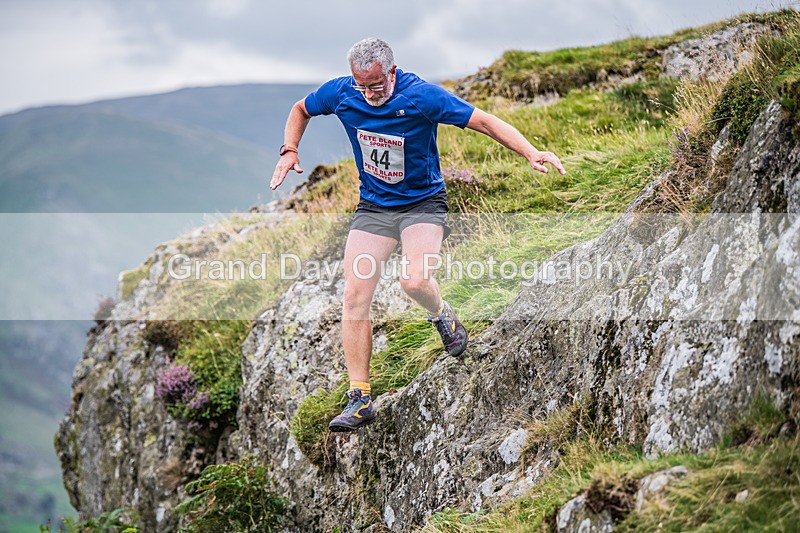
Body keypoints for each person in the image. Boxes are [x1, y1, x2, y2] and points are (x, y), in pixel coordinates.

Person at [271, 38, 565, 432]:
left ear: (392, 73)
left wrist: (531, 152)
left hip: (423, 203)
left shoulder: (423, 97)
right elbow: (300, 109)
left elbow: (484, 121)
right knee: (354, 295)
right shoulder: (342, 93)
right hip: (375, 207)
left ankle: (442, 315)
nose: (369, 94)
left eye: (377, 85)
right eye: (362, 86)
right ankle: (359, 398)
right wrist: (289, 149)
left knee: (414, 282)